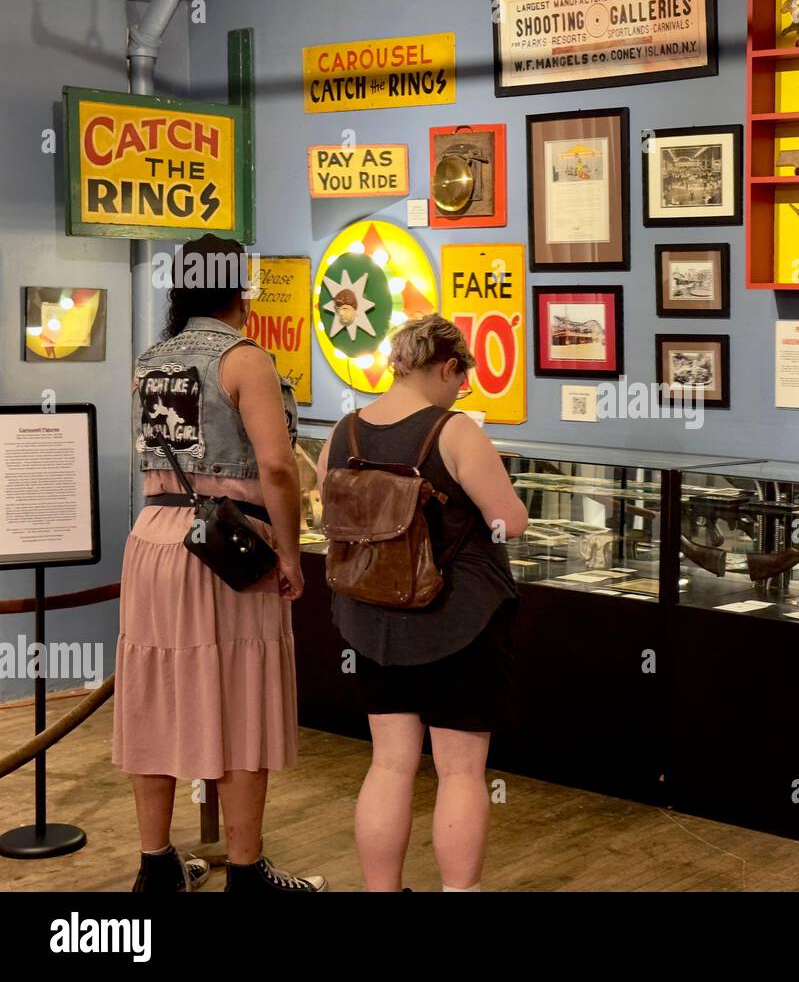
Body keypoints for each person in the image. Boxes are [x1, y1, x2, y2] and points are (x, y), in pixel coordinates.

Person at [113, 234, 325, 893]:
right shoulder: (245, 359)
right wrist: (290, 552)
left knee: (154, 697)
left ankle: (156, 864)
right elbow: (277, 466)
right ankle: (247, 869)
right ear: (241, 286)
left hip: (152, 538)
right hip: (227, 546)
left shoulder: (149, 360)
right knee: (240, 702)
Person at [316, 314, 528, 893]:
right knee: (460, 770)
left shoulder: (343, 431)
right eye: (462, 378)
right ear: (448, 366)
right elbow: (509, 519)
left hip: (370, 620)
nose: (461, 390)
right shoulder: (455, 431)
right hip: (457, 620)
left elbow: (326, 513)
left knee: (389, 764)